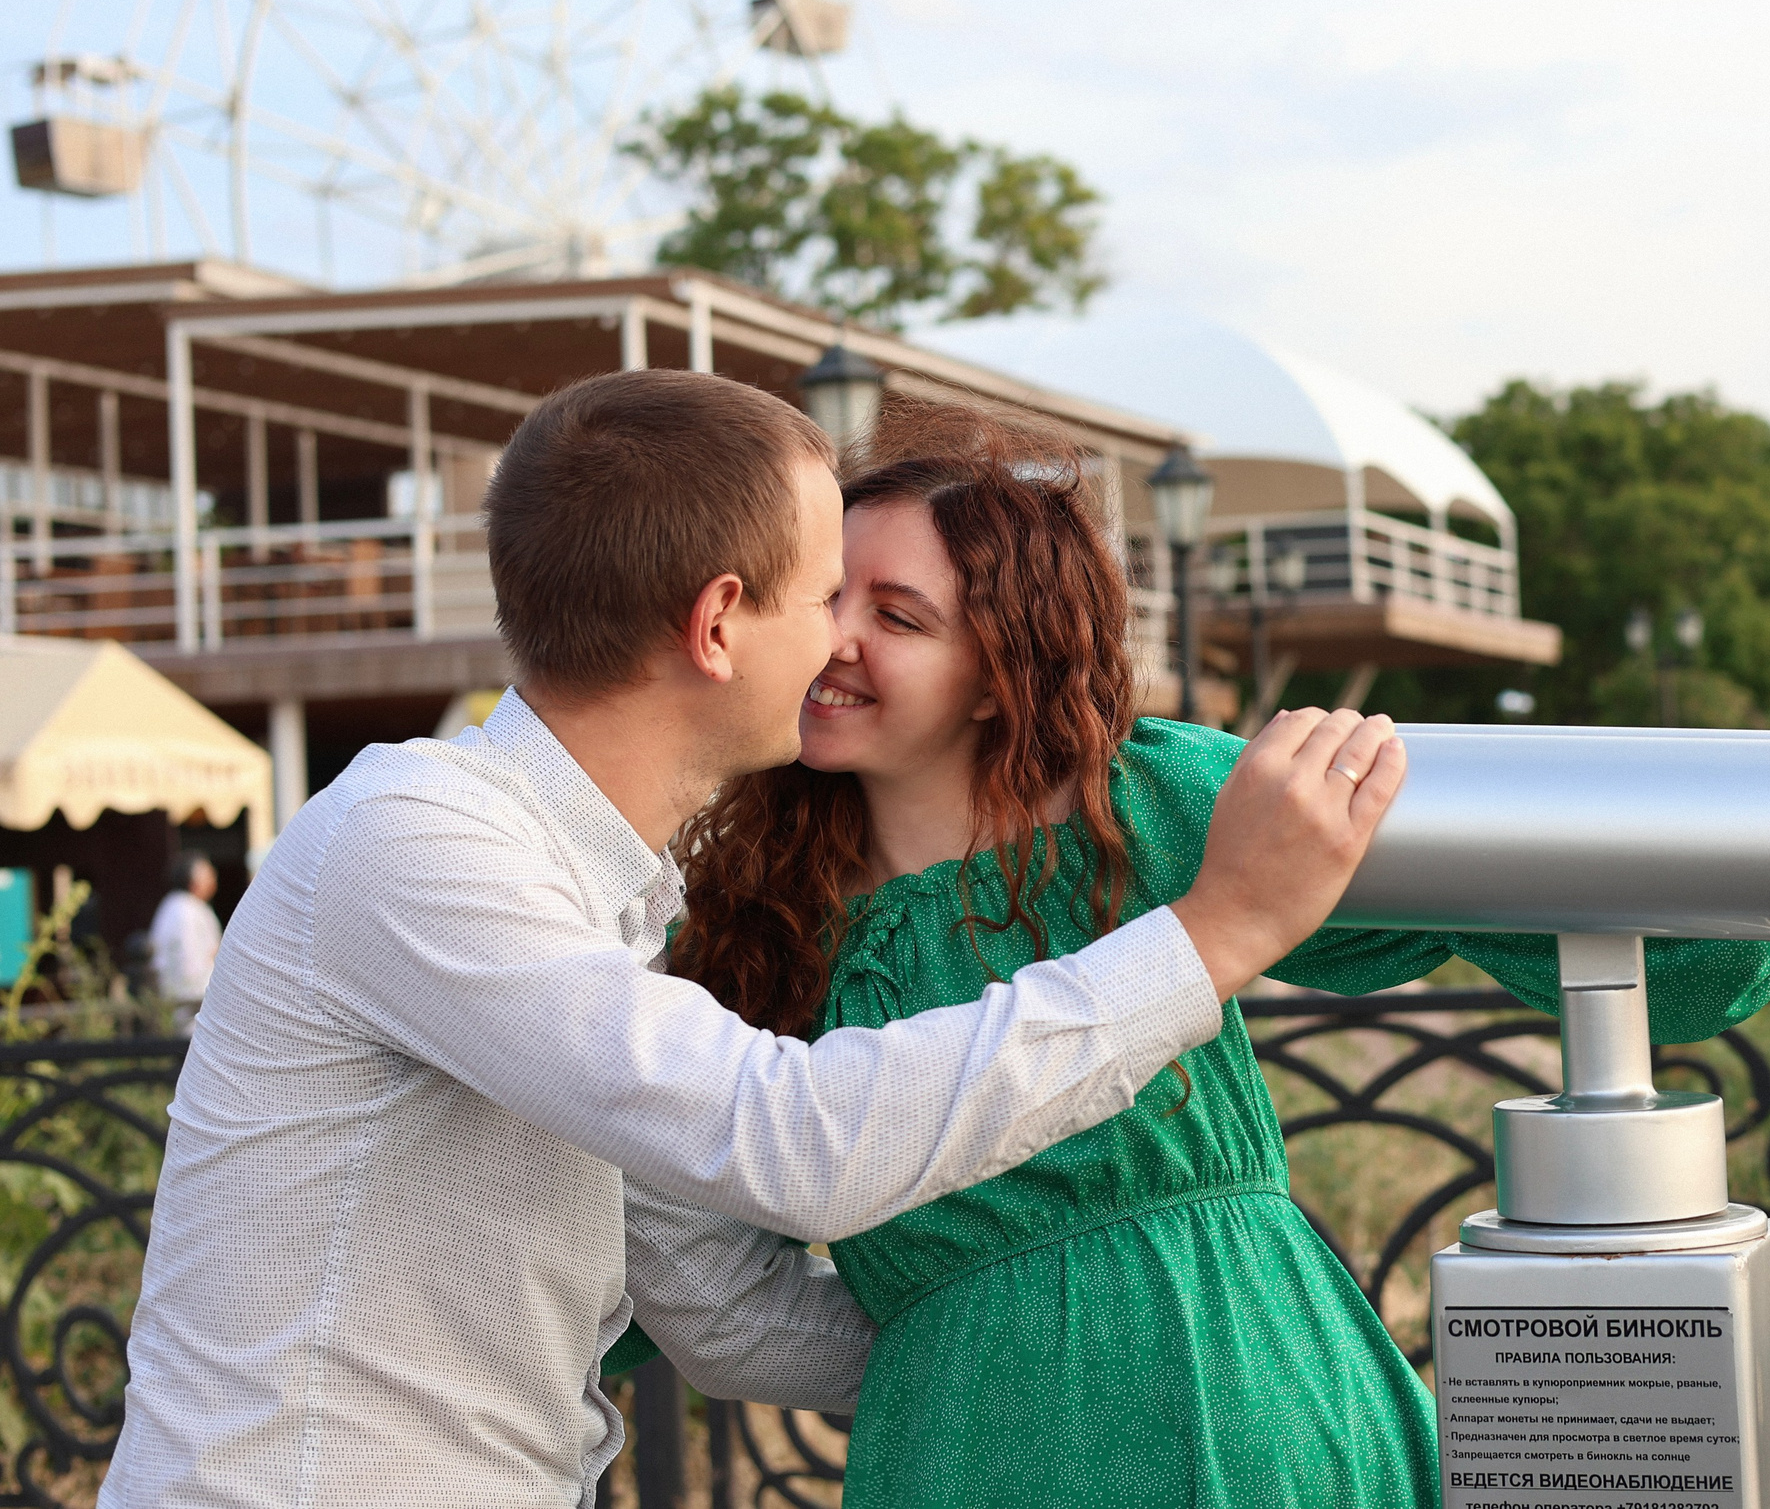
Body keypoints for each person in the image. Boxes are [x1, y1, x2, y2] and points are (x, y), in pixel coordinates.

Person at [100, 372, 1407, 1509]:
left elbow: (719, 1300)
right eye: (826, 591)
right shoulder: (415, 836)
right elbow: (786, 1141)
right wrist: (1217, 931)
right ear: (721, 622)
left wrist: (1055, 1354)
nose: (839, 640)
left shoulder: (606, 904)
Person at [646, 412, 1770, 1509]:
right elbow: (677, 1246)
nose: (837, 641)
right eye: (828, 597)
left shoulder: (1143, 805)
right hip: (966, 1454)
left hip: (1253, 1396)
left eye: (899, 618)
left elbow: (1564, 909)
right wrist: (949, 1344)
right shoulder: (753, 918)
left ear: (1001, 669)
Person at [147, 852, 222, 1029]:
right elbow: (192, 963)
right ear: (194, 881)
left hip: (177, 998)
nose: (213, 880)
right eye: (209, 875)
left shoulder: (173, 906)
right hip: (191, 1002)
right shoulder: (188, 911)